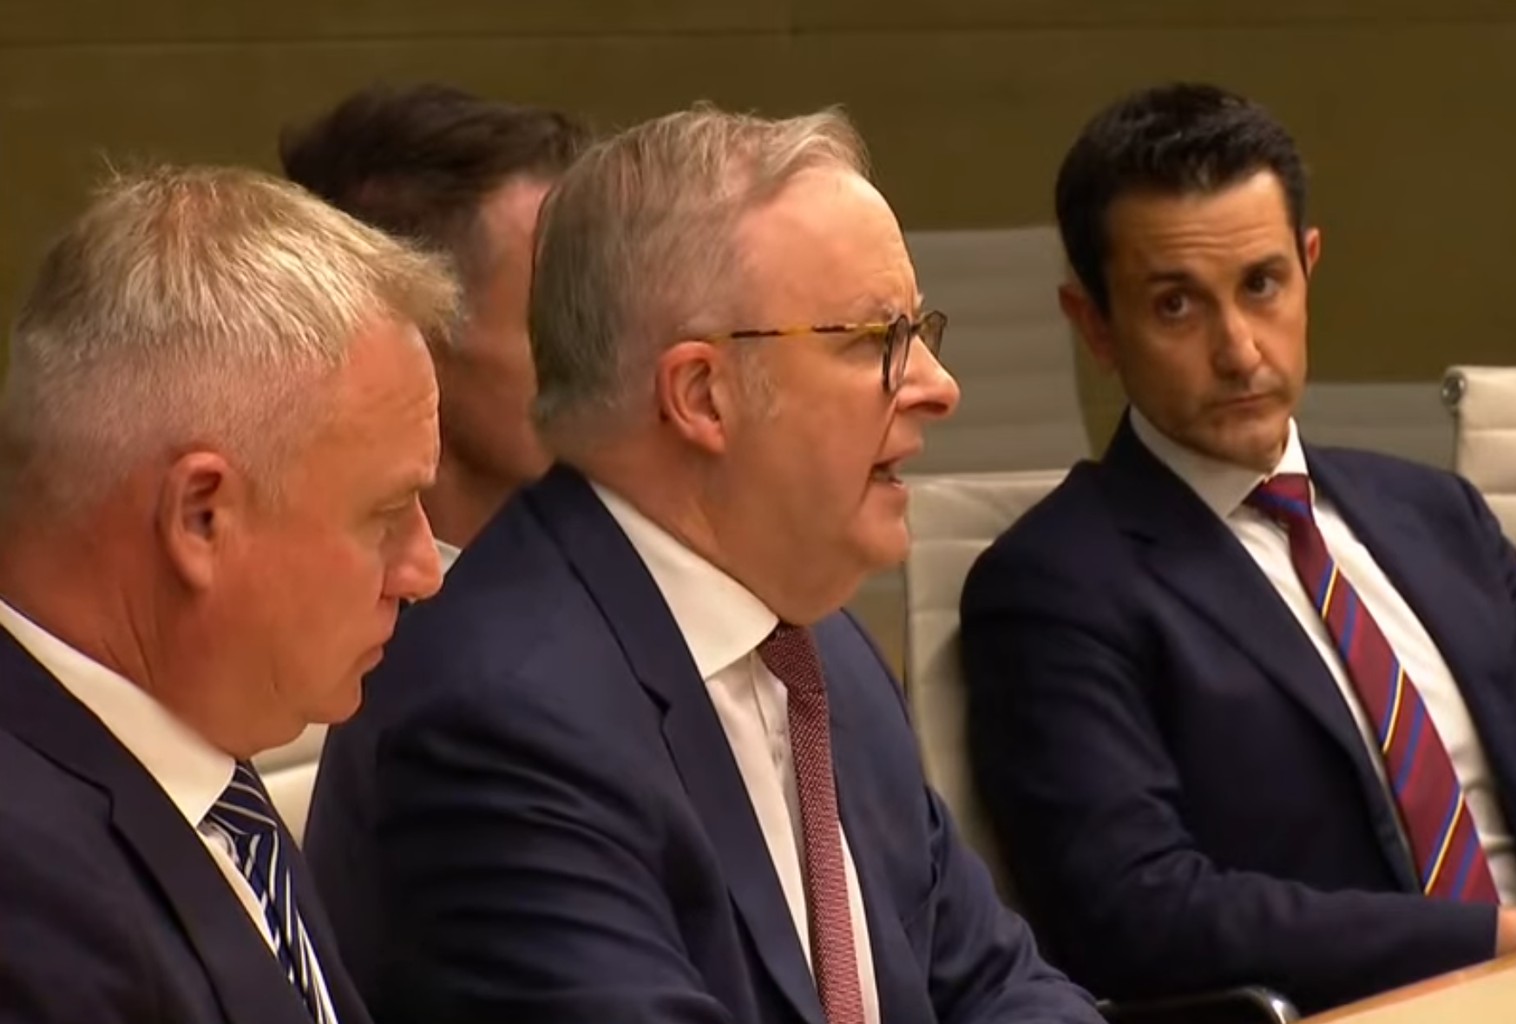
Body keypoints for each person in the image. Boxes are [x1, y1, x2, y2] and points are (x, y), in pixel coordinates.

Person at [306, 104, 1104, 1023]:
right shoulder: (498, 719)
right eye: (874, 341)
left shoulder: (821, 647)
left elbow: (998, 985)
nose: (938, 385)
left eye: (920, 333)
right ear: (701, 396)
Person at [961, 81, 1516, 1014]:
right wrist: (1502, 941)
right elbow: (1137, 913)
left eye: (1262, 286)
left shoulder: (1440, 516)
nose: (1239, 351)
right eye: (1176, 306)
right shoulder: (1053, 588)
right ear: (1095, 326)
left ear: (1309, 267)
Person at [0, 165, 453, 1023]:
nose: (423, 570)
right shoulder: (27, 906)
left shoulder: (198, 743)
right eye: (388, 514)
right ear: (201, 517)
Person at [282, 83, 590, 570]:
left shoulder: (626, 573)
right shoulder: (306, 605)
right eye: (562, 318)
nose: (610, 356)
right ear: (414, 340)